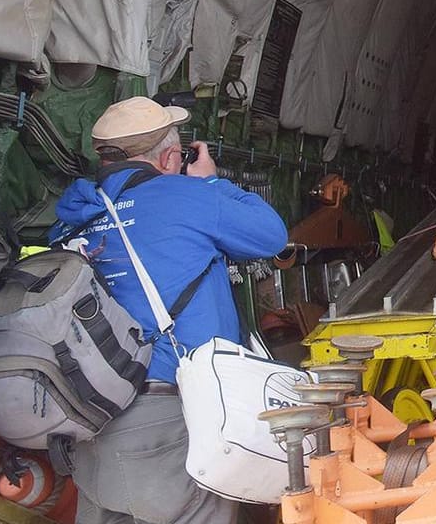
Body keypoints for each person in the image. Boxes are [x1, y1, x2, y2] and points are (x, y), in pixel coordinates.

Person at [51, 97, 289, 524]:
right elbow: (271, 235)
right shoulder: (186, 196)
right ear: (169, 157)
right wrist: (211, 183)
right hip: (168, 416)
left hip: (89, 419)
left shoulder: (71, 218)